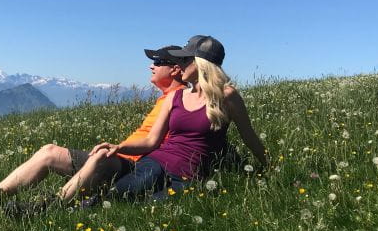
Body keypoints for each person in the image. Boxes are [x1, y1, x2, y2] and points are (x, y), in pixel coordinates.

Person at [0, 45, 188, 211]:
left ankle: (47, 207)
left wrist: (119, 148)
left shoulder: (181, 100)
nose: (151, 67)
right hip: (120, 157)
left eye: (158, 62)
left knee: (60, 154)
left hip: (134, 166)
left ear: (176, 69)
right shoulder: (166, 98)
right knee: (49, 152)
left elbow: (162, 143)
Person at [91, 35, 269, 201]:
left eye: (184, 59)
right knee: (123, 194)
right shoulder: (176, 97)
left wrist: (271, 167)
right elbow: (152, 141)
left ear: (200, 63)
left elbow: (249, 136)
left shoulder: (227, 96)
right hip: (156, 162)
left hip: (188, 175)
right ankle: (83, 206)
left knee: (154, 204)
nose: (179, 64)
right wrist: (119, 147)